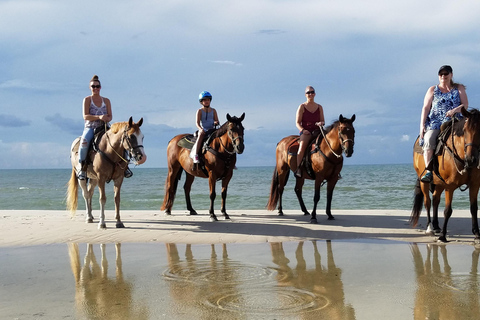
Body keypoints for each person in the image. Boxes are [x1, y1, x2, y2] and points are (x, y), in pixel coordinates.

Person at [77, 75, 133, 180]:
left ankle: (125, 166)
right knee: (84, 142)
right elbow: (85, 116)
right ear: (90, 87)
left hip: (104, 127)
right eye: (93, 86)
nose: (95, 88)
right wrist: (99, 117)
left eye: (97, 86)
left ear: (100, 87)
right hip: (91, 127)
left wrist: (106, 119)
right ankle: (82, 168)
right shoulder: (87, 100)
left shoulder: (106, 101)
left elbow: (110, 116)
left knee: (121, 139)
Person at [419, 65, 468, 183]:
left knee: (473, 135)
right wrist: (422, 125)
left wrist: (454, 111)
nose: (443, 76)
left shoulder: (458, 88)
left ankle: (474, 165)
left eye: (446, 74)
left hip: (456, 121)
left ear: (451, 75)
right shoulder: (432, 89)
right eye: (441, 74)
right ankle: (429, 171)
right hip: (436, 121)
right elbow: (425, 108)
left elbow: (465, 105)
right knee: (429, 139)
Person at [294, 86, 325, 178]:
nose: (310, 94)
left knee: (330, 144)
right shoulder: (302, 106)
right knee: (301, 148)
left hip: (317, 131)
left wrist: (321, 123)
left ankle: (334, 170)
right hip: (306, 132)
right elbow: (297, 123)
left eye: (312, 92)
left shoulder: (319, 107)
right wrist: (303, 130)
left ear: (315, 94)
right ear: (305, 95)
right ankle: (299, 168)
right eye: (308, 92)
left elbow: (323, 121)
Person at [193, 91, 219, 164]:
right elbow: (197, 123)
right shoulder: (199, 111)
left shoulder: (213, 110)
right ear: (201, 102)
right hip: (203, 129)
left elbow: (216, 120)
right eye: (204, 100)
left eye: (208, 100)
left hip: (212, 129)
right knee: (200, 135)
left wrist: (216, 122)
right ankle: (196, 155)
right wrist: (200, 129)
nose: (206, 101)